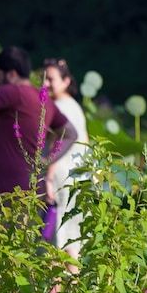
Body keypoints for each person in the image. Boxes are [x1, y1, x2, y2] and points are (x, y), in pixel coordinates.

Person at [0, 46, 78, 209]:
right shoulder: (44, 100)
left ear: (12, 74)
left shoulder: (14, 92)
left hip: (5, 196)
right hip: (27, 193)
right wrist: (47, 161)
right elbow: (71, 134)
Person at [43, 57, 90, 256]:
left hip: (60, 178)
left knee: (55, 246)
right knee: (73, 244)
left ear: (66, 82)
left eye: (50, 79)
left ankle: (55, 289)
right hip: (79, 179)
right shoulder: (75, 106)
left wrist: (48, 177)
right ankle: (74, 286)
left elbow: (58, 143)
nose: (44, 84)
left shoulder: (58, 107)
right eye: (42, 78)